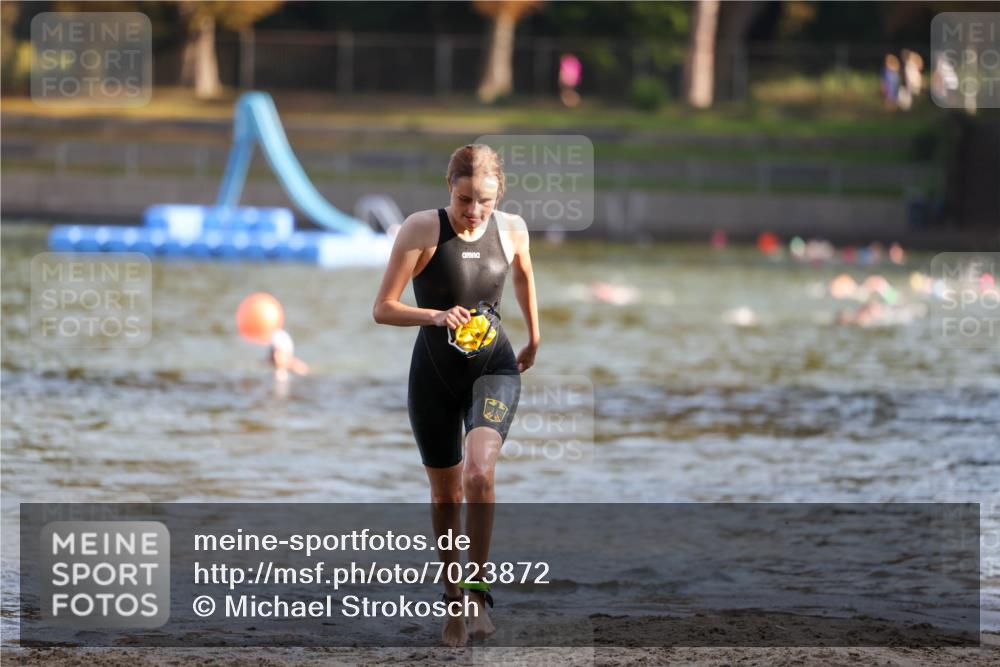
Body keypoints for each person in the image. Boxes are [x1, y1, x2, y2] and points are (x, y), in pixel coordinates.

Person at [372, 144, 540, 647]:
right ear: (450, 187)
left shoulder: (511, 229)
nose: (473, 212)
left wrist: (535, 337)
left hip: (495, 366)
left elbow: (526, 278)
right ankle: (452, 604)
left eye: (484, 201)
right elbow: (383, 308)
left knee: (479, 471)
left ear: (498, 196)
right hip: (433, 376)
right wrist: (437, 315)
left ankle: (477, 594)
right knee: (445, 494)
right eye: (465, 199)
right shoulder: (422, 229)